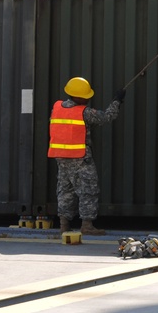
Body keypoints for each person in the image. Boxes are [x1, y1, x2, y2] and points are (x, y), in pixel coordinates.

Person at [49, 76, 124, 235]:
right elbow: (106, 117)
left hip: (61, 158)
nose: (88, 100)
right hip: (80, 158)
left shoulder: (56, 108)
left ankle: (64, 225)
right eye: (86, 97)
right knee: (89, 190)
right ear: (78, 97)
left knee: (64, 190)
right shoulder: (84, 112)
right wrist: (117, 101)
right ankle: (87, 225)